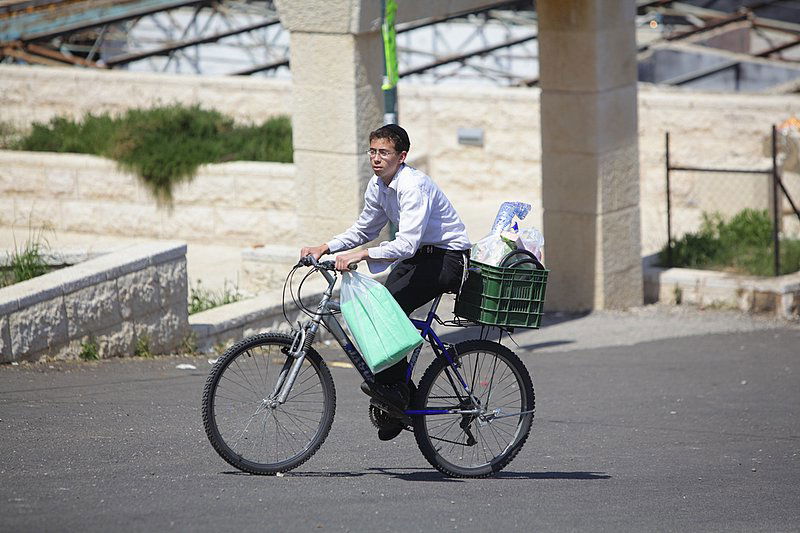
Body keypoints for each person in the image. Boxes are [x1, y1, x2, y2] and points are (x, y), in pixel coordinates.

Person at [300, 124, 470, 440]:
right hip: (420, 255)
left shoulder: (412, 186)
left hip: (447, 258)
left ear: (401, 157)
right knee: (377, 303)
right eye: (373, 151)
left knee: (386, 306)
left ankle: (396, 394)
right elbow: (365, 228)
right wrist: (326, 246)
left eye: (384, 153)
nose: (377, 159)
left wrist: (361, 256)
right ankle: (399, 394)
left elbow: (405, 244)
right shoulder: (378, 186)